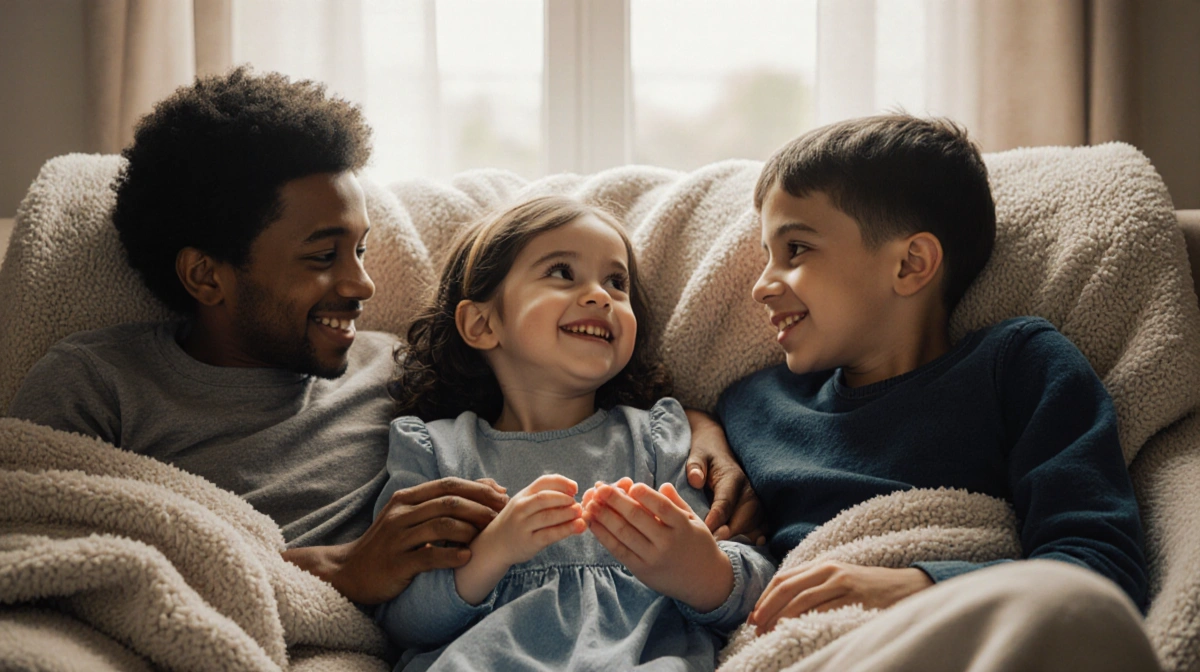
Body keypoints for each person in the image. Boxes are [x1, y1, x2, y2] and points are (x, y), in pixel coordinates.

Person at [5, 67, 762, 610]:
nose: (363, 287)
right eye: (322, 256)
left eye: (361, 250)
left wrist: (697, 428)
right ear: (208, 277)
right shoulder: (97, 380)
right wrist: (337, 570)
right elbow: (41, 533)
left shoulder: (392, 371)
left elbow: (554, 387)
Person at [715, 114, 1161, 671]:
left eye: (796, 249)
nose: (762, 284)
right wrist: (701, 433)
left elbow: (1100, 566)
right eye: (766, 255)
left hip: (959, 637)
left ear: (910, 264)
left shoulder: (1017, 366)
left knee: (1079, 607)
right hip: (808, 654)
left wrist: (918, 585)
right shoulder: (755, 405)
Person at [375, 195, 775, 670]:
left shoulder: (656, 438)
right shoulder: (435, 451)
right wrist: (492, 552)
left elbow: (759, 587)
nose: (600, 295)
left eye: (616, 281)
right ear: (482, 324)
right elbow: (400, 621)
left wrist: (704, 572)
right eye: (562, 272)